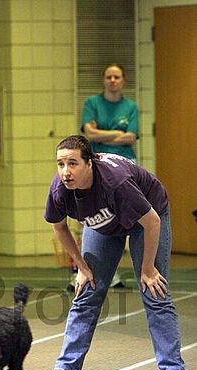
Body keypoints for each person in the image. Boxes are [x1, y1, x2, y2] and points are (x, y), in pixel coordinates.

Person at [42, 135, 187, 370]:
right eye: (60, 164)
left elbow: (152, 222)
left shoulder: (115, 182)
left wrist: (147, 270)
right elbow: (59, 226)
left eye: (72, 163)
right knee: (87, 292)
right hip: (104, 227)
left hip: (147, 217)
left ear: (90, 163)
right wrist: (82, 267)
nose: (65, 171)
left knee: (155, 291)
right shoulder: (60, 189)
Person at [81, 63, 139, 286]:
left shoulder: (130, 107)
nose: (113, 80)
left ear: (123, 80)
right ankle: (87, 268)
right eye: (109, 77)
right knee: (93, 215)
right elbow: (88, 134)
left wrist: (101, 135)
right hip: (97, 166)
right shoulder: (92, 103)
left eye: (117, 77)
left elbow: (131, 137)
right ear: (103, 80)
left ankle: (126, 267)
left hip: (125, 166)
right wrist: (117, 133)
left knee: (123, 216)